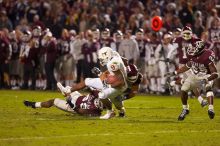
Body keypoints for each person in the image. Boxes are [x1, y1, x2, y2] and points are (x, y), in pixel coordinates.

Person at [165, 38, 219, 120]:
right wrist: (174, 73)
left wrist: (207, 79)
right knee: (184, 89)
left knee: (208, 87)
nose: (192, 49)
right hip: (195, 75)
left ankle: (211, 109)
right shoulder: (192, 55)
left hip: (206, 75)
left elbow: (215, 73)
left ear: (200, 49)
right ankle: (185, 109)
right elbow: (187, 66)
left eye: (194, 48)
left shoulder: (207, 55)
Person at [23, 84, 104, 117]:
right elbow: (92, 90)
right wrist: (88, 87)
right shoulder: (98, 95)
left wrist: (70, 102)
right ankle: (65, 92)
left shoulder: (94, 111)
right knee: (69, 88)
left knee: (53, 101)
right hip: (79, 96)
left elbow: (79, 111)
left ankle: (34, 104)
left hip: (73, 106)